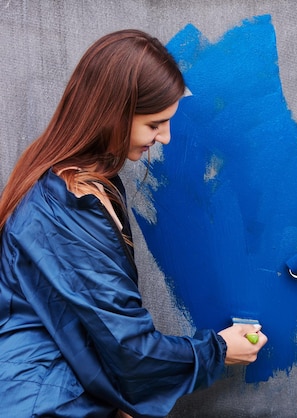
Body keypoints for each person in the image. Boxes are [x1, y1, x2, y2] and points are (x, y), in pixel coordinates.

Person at [0, 29, 267, 417]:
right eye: (155, 124)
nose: (167, 137)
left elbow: (95, 331)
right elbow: (128, 349)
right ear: (113, 114)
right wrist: (218, 351)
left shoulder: (91, 185)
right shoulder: (64, 208)